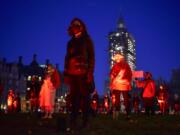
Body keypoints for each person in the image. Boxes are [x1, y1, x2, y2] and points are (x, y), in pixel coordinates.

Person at [64, 18, 95, 130]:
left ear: (81, 26)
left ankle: (86, 121)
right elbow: (67, 58)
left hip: (83, 73)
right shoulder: (70, 42)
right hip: (72, 74)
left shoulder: (87, 40)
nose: (75, 27)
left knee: (85, 98)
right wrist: (66, 73)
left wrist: (90, 72)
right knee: (74, 98)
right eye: (73, 25)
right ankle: (73, 121)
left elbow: (91, 57)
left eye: (77, 25)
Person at [110, 53, 132, 120]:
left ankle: (125, 114)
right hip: (118, 85)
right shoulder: (116, 66)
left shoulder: (125, 65)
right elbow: (112, 75)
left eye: (117, 58)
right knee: (118, 100)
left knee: (125, 100)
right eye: (115, 58)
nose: (116, 59)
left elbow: (129, 74)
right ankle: (118, 114)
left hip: (123, 85)